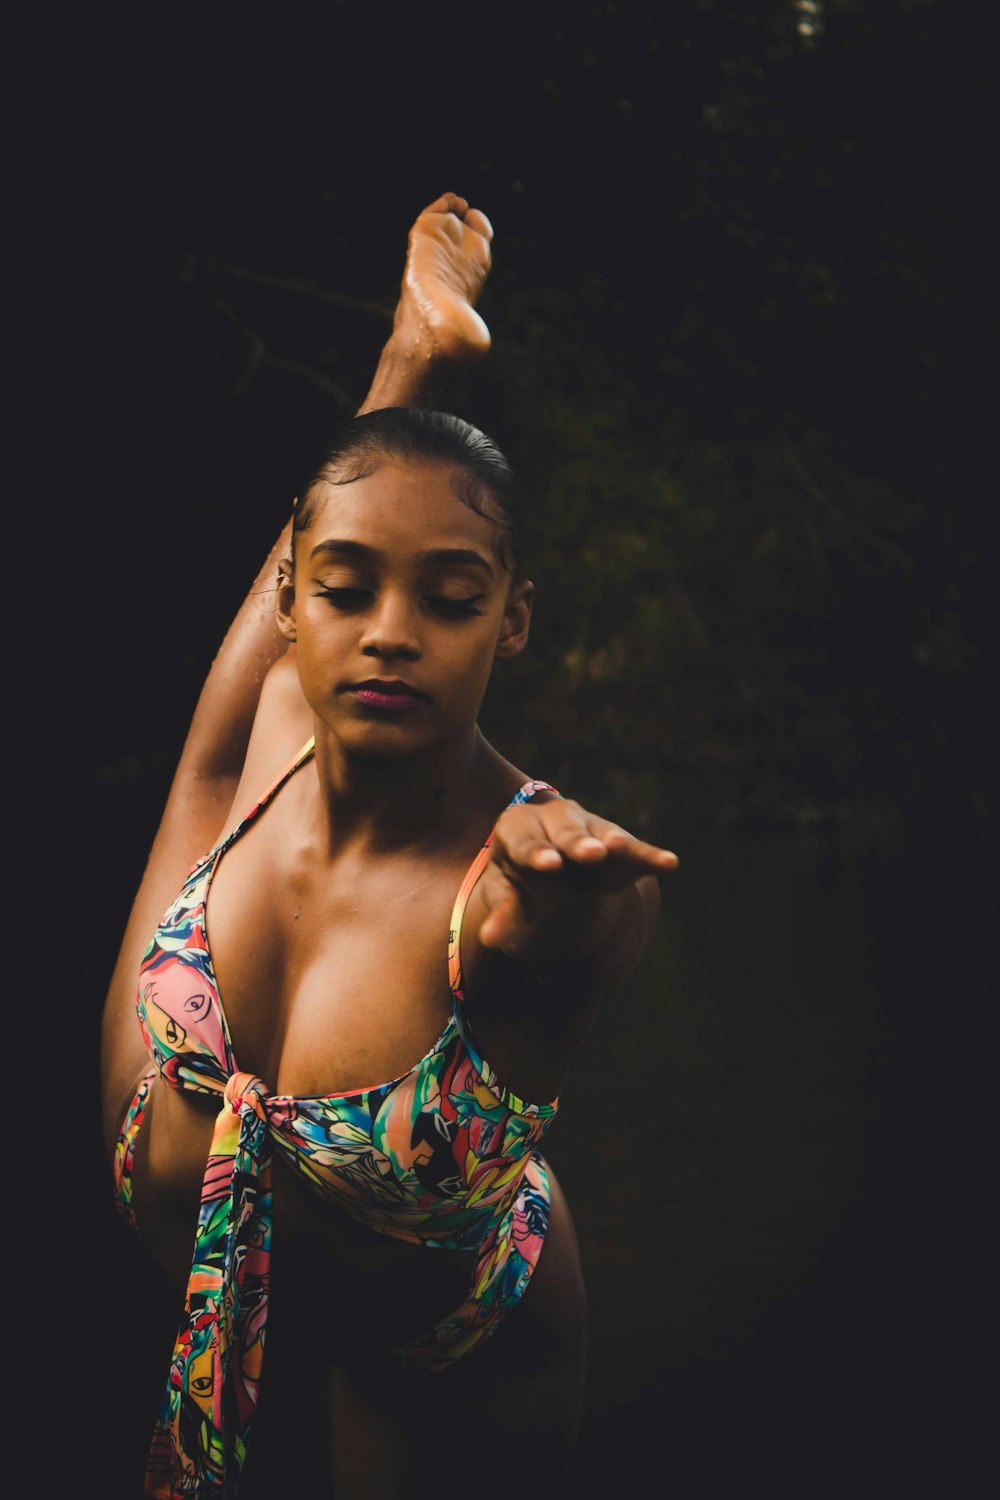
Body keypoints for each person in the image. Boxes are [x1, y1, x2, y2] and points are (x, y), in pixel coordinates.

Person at [100, 192, 678, 1499]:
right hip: (234, 1298)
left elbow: (587, 937)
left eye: (452, 600)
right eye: (347, 594)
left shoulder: (512, 874)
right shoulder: (265, 727)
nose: (390, 633)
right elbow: (313, 585)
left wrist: (575, 899)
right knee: (255, 672)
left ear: (512, 623)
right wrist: (408, 372)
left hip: (452, 1351)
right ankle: (407, 362)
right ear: (300, 599)